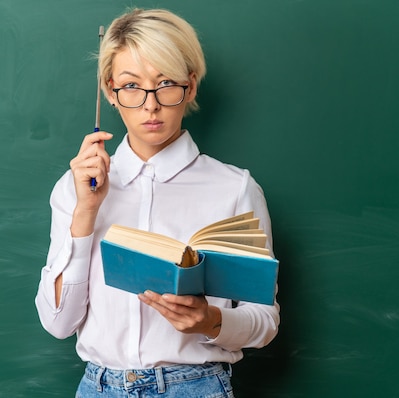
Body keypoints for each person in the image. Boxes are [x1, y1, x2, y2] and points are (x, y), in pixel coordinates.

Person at [35, 8, 279, 397]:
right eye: (132, 86)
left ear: (191, 86)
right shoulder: (76, 187)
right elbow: (59, 323)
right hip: (100, 386)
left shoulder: (235, 189)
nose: (151, 105)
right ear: (111, 92)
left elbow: (265, 322)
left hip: (196, 386)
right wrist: (85, 212)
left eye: (166, 83)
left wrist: (210, 320)